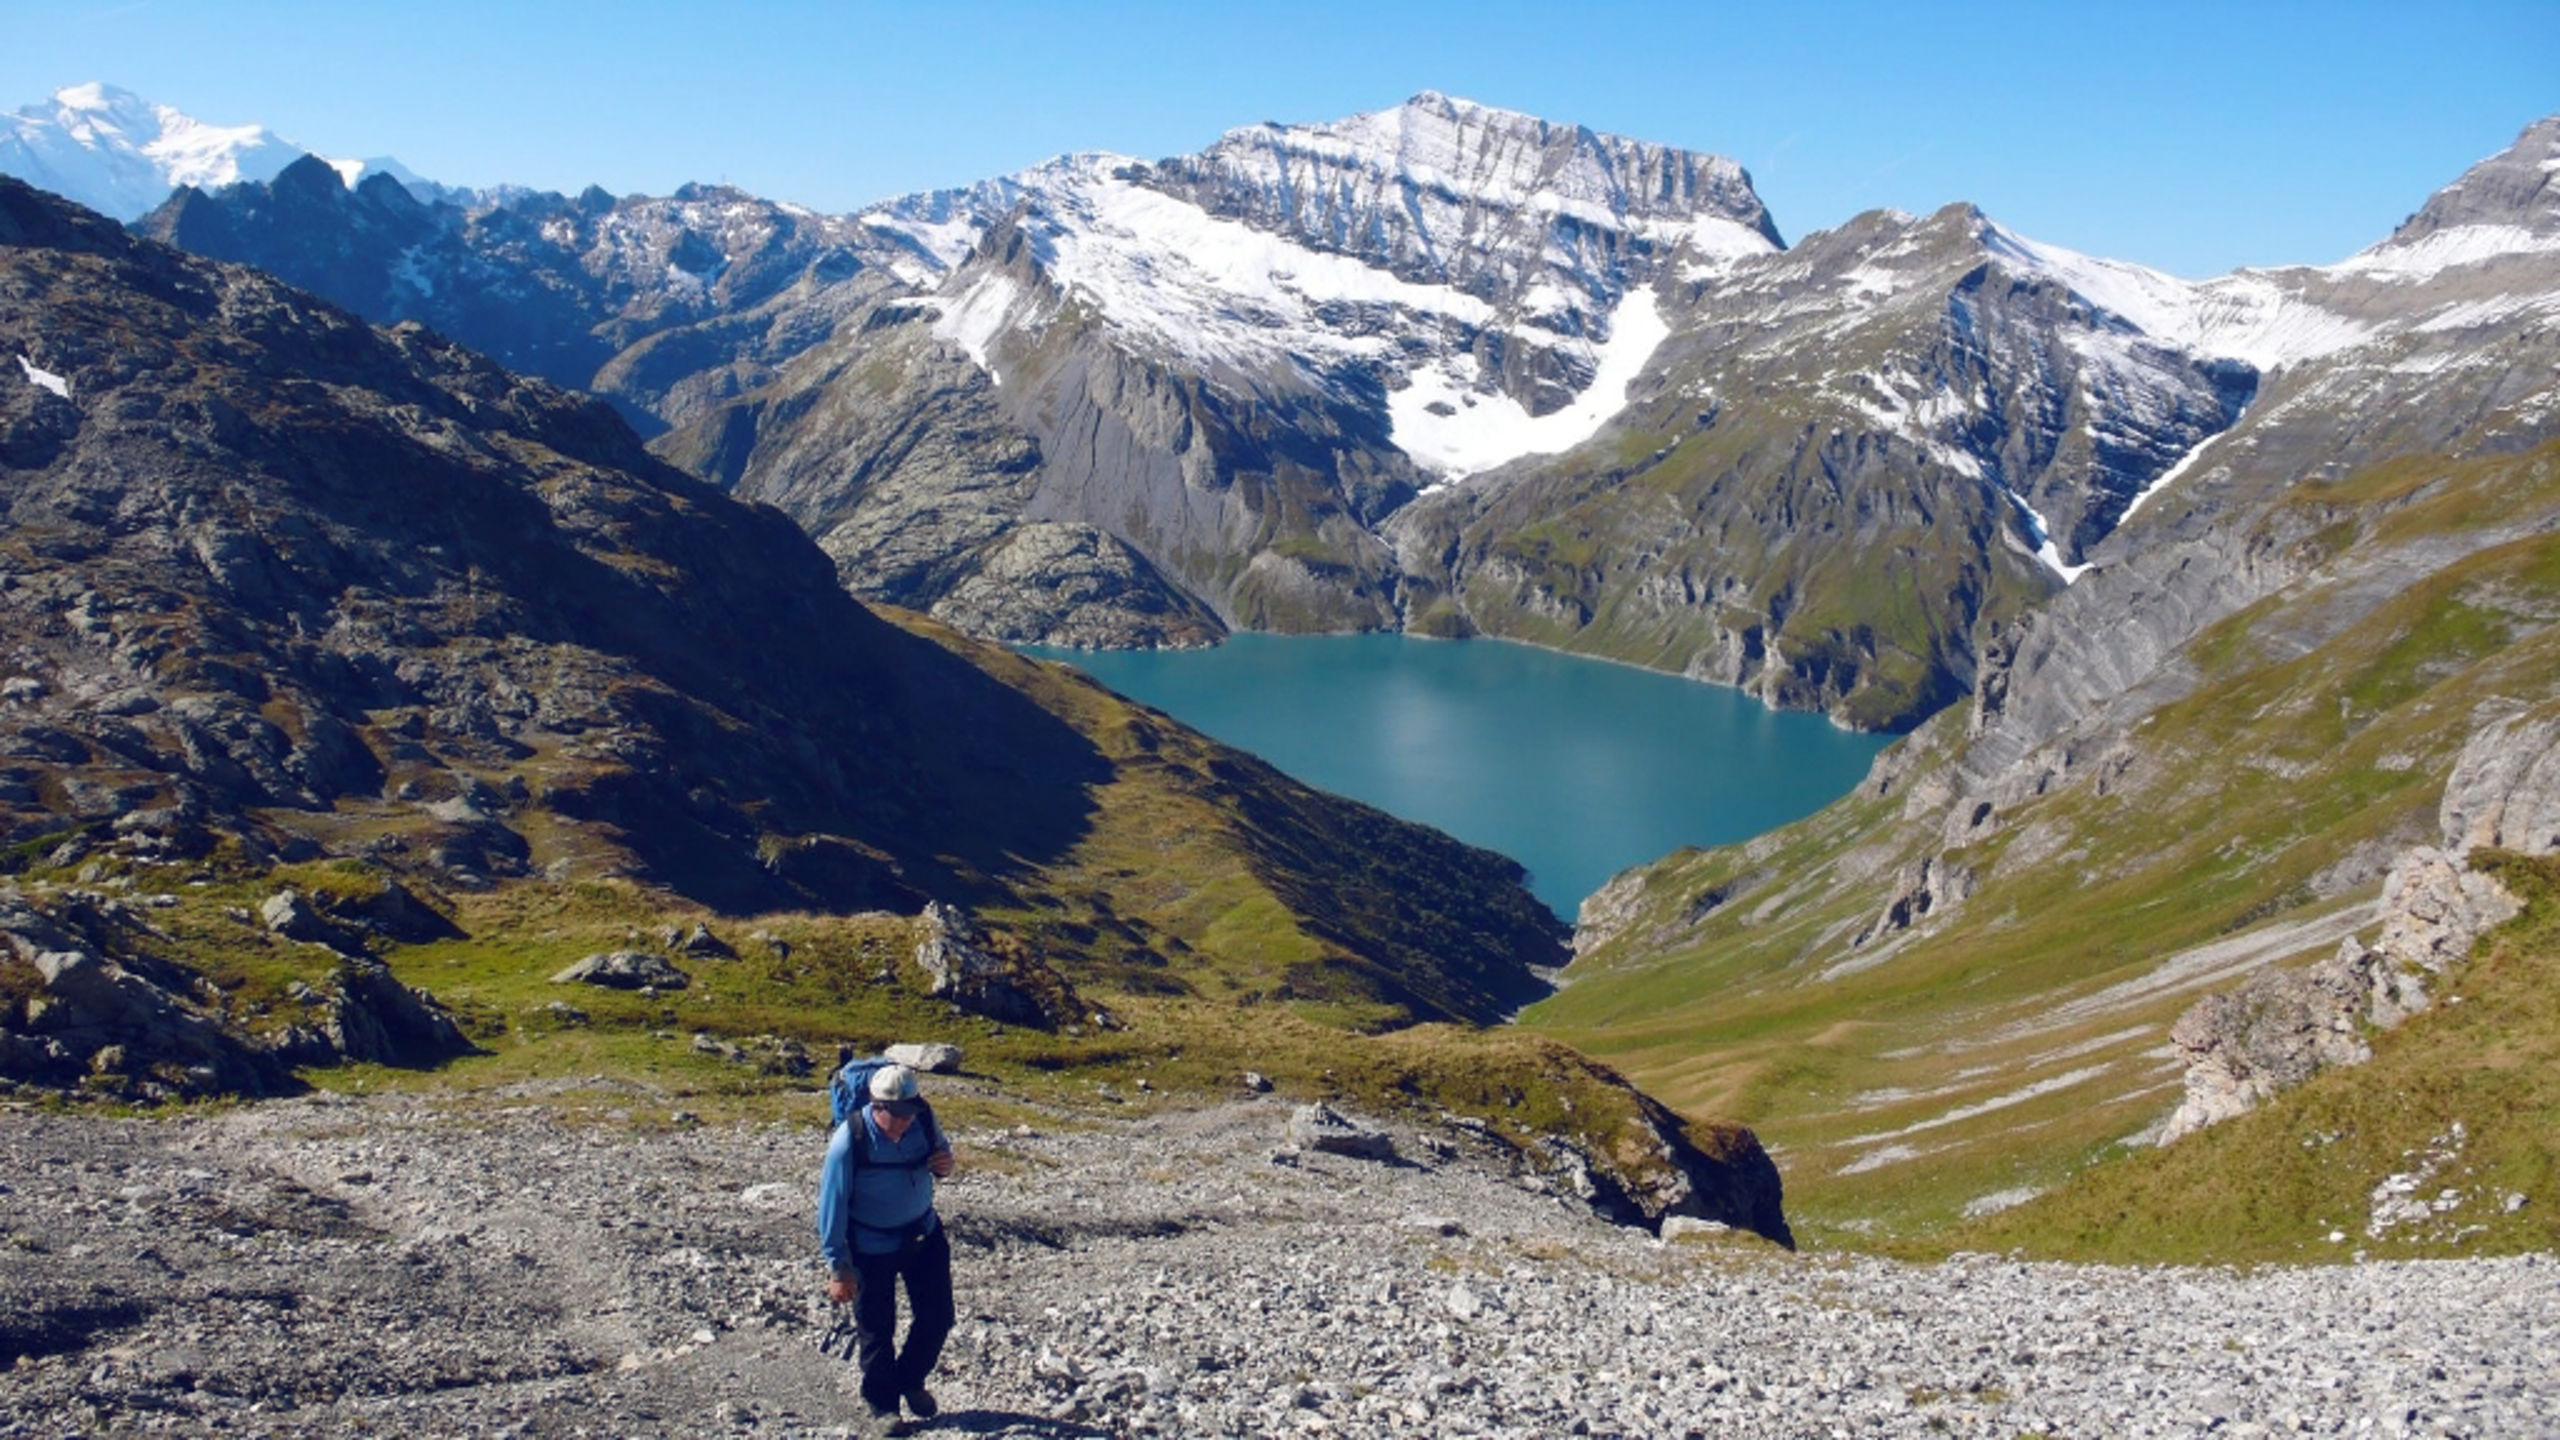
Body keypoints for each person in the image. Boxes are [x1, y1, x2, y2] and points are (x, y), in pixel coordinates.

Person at [817, 1062, 957, 1434]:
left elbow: (942, 1157)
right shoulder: (849, 1140)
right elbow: (832, 1205)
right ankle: (882, 1407)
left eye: (909, 1112)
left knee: (938, 1317)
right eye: (897, 1115)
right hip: (870, 1246)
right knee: (877, 1330)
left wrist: (945, 1166)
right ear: (877, 1107)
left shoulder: (923, 1118)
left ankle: (910, 1379)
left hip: (923, 1235)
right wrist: (838, 1266)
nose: (904, 1122)